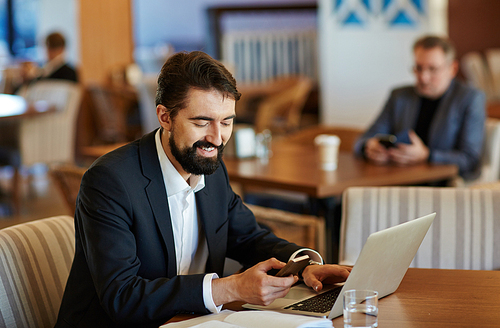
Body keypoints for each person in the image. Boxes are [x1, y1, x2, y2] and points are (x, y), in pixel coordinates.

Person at [55, 51, 350, 328]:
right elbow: (122, 296)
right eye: (201, 122)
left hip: (191, 322)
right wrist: (230, 288)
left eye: (226, 122)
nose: (217, 138)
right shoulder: (110, 181)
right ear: (165, 117)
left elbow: (249, 237)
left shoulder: (209, 166)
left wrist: (303, 263)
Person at [354, 35, 485, 180]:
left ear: (452, 68)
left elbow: (470, 160)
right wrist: (369, 147)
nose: (423, 77)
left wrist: (427, 155)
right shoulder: (399, 96)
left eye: (433, 69)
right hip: (397, 179)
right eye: (418, 68)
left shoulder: (470, 99)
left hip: (441, 187)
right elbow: (364, 139)